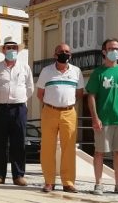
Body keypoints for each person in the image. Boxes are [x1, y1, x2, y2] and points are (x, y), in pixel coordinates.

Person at [86, 38, 118, 195]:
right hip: (104, 119)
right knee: (100, 152)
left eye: (117, 48)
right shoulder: (98, 73)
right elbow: (91, 96)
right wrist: (95, 117)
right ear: (104, 52)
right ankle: (98, 184)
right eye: (111, 48)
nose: (115, 51)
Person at [36, 43, 84, 193]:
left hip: (69, 112)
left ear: (71, 55)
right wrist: (53, 104)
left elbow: (80, 93)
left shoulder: (76, 71)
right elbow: (40, 94)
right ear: (55, 55)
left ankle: (68, 182)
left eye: (67, 51)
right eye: (61, 51)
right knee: (47, 148)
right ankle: (49, 182)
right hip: (49, 111)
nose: (65, 53)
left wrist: (66, 104)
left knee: (69, 148)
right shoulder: (46, 71)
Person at [0, 36, 34, 187]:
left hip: (19, 108)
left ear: (17, 50)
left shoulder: (25, 67)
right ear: (3, 50)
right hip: (0, 108)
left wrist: (19, 99)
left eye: (14, 48)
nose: (12, 50)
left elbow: (30, 88)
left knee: (19, 142)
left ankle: (18, 175)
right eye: (9, 48)